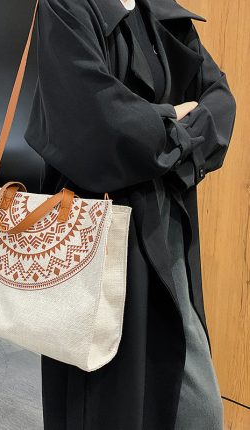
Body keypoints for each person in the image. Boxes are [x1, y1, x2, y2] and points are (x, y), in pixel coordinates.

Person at [23, 0, 237, 429]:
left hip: (164, 224)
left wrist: (161, 134)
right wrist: (173, 119)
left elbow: (219, 101)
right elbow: (96, 123)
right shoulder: (66, 7)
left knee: (194, 400)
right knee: (102, 392)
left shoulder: (160, 13)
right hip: (93, 232)